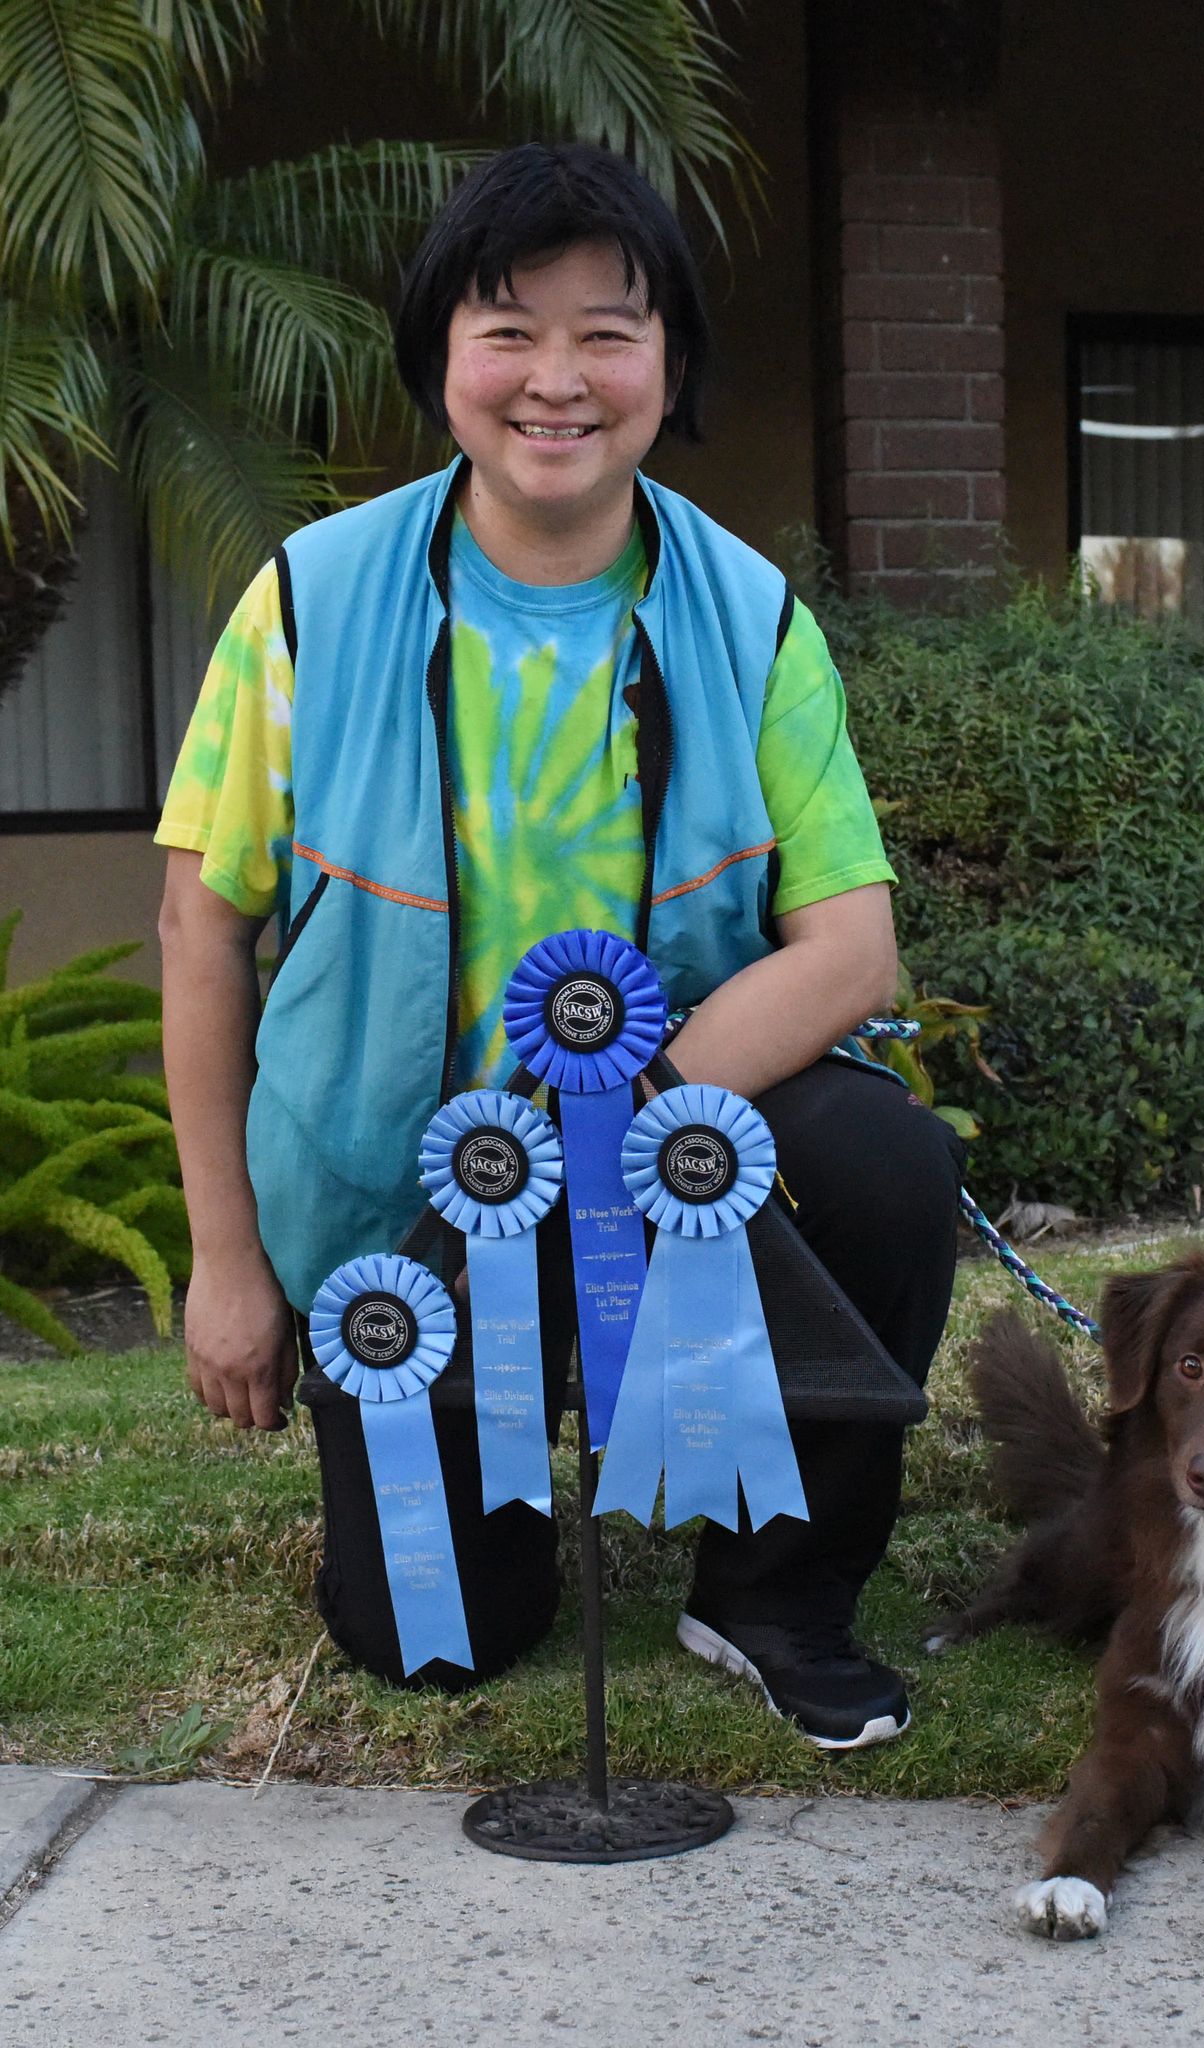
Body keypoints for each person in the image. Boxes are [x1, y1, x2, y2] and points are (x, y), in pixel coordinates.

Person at [156, 142, 963, 1749]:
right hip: (410, 1217)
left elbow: (851, 951)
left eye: (610, 329)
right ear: (440, 358)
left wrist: (608, 1128)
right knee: (442, 1643)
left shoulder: (749, 617)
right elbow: (200, 920)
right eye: (507, 328)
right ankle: (488, 1501)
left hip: (672, 1165)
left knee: (884, 1158)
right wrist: (228, 1261)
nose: (557, 379)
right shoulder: (311, 602)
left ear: (669, 363)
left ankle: (773, 1591)